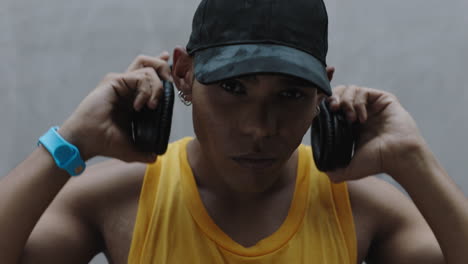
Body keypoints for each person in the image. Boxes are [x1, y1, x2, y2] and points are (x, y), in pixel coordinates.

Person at [1, 0, 467, 263]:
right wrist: (71, 141)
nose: (258, 127)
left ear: (323, 92)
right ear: (182, 73)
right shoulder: (121, 200)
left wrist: (413, 160)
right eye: (232, 87)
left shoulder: (362, 208)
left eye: (290, 95)